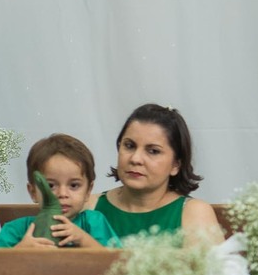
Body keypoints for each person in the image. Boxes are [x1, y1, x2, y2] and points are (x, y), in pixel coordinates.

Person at [87, 104, 219, 243]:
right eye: (129, 146)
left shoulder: (195, 213)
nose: (135, 159)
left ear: (175, 165)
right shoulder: (89, 206)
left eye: (153, 151)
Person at [0, 134, 121, 248]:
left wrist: (84, 239)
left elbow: (116, 264)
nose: (62, 194)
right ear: (33, 192)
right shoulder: (14, 231)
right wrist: (21, 251)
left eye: (74, 185)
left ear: (88, 191)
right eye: (50, 186)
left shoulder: (93, 223)